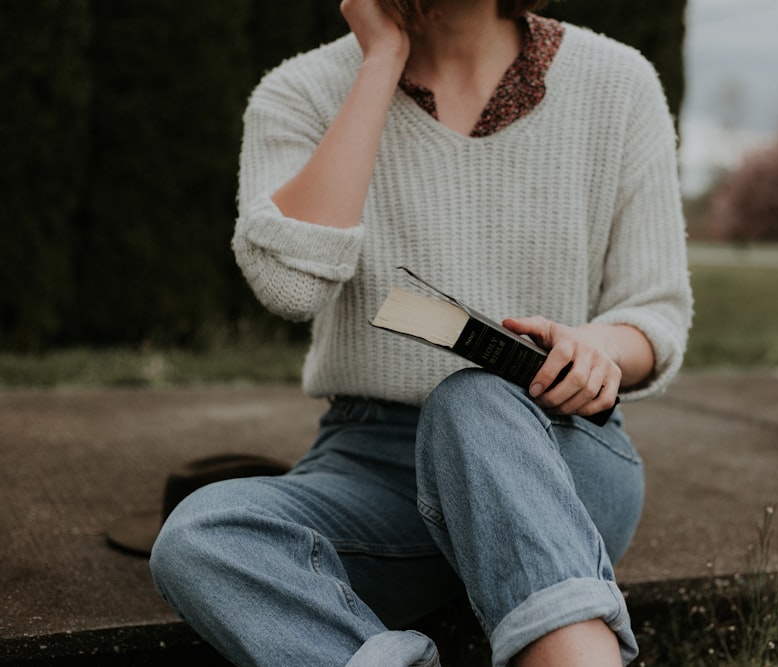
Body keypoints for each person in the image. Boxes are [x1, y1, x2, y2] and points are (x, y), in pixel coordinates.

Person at [149, 0, 692, 664]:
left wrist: (597, 350)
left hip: (555, 448)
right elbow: (291, 287)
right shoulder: (298, 93)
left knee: (474, 402)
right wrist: (380, 62)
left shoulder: (619, 82)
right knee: (202, 535)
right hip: (375, 467)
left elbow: (655, 313)